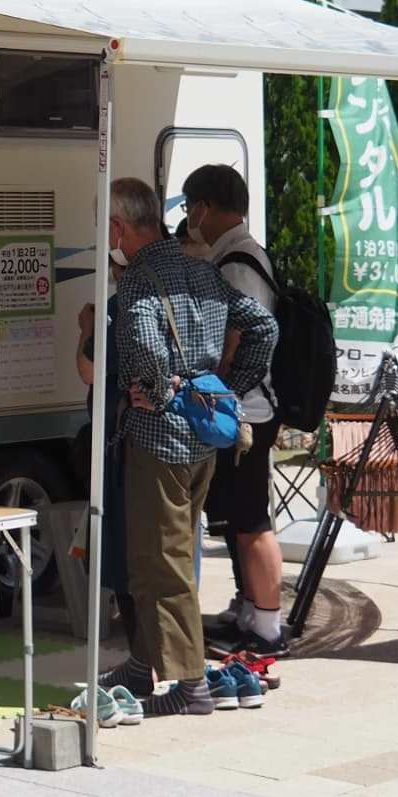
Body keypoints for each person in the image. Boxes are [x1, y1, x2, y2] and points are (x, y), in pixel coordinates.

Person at [109, 179, 278, 717]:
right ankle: (143, 664)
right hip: (204, 439)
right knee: (161, 556)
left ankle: (190, 684)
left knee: (164, 564)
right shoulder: (203, 271)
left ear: (118, 228)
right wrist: (229, 387)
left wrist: (160, 393)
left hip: (158, 441)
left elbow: (145, 345)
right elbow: (265, 327)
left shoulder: (138, 281)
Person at [182, 164, 289, 658]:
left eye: (190, 208)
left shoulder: (238, 264)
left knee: (252, 523)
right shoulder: (234, 255)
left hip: (247, 413)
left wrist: (221, 387)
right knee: (239, 521)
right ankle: (248, 611)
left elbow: (240, 340)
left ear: (204, 207)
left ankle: (267, 629)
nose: (189, 218)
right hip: (243, 410)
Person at [73, 180, 158, 681]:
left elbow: (90, 370)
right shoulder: (187, 275)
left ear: (118, 229)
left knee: (127, 558)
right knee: (164, 558)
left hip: (127, 442)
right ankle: (166, 665)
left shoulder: (126, 298)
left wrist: (88, 331)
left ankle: (143, 665)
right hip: (178, 442)